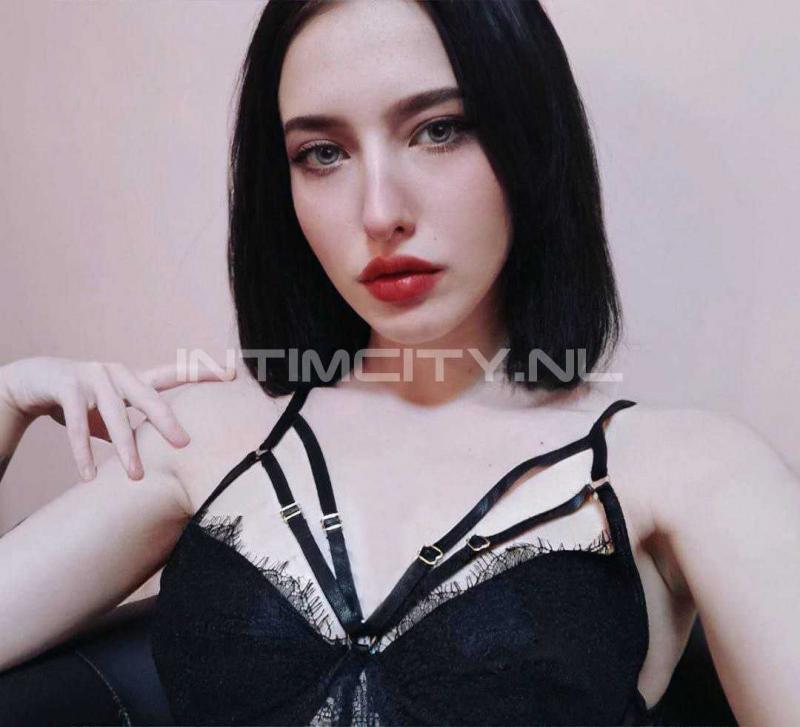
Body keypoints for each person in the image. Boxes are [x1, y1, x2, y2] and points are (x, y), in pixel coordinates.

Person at [1, 0, 797, 724]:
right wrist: (7, 399)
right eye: (322, 153)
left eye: (438, 130)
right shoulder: (201, 437)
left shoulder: (693, 471)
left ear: (529, 137)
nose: (379, 212)